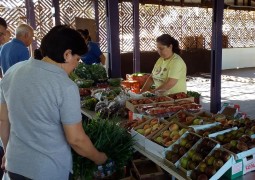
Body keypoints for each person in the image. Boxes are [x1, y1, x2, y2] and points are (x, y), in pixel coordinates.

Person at [0, 25, 107, 180]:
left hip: (15, 165)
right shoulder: (65, 86)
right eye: (77, 59)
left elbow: (3, 120)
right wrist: (99, 157)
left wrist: (6, 152)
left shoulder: (13, 72)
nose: (77, 65)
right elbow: (76, 140)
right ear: (67, 54)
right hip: (48, 170)